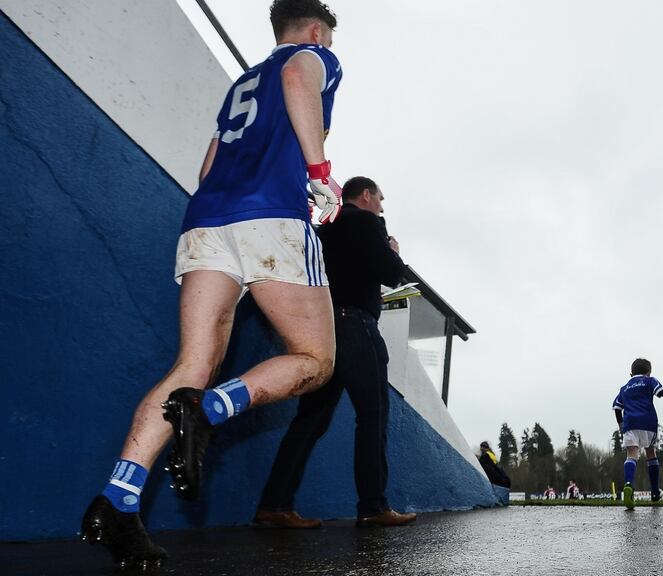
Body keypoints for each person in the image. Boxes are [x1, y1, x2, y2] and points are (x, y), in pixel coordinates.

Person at [80, 1, 343, 566]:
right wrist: (320, 174)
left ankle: (117, 501)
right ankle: (211, 410)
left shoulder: (243, 84)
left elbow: (206, 167)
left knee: (189, 367)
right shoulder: (312, 56)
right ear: (318, 31)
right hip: (270, 218)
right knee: (316, 360)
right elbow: (300, 77)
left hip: (207, 220)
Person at [257, 177, 417, 528]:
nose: (382, 206)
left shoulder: (326, 228)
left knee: (310, 419)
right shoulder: (365, 221)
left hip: (321, 327)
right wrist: (392, 250)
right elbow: (391, 274)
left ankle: (274, 504)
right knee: (372, 414)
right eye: (380, 199)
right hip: (355, 324)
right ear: (365, 195)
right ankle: (373, 506)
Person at [613, 358, 663, 510]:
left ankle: (628, 485)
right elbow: (660, 393)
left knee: (631, 455)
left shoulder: (624, 388)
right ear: (648, 371)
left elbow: (617, 407)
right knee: (651, 453)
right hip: (648, 422)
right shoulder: (649, 381)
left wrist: (621, 425)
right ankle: (654, 492)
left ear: (631, 372)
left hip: (630, 423)